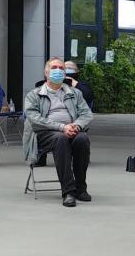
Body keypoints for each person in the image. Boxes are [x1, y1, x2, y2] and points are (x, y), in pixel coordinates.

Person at [23, 58, 93, 208]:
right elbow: (35, 119)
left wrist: (76, 126)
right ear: (46, 72)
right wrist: (62, 127)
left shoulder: (75, 93)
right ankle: (68, 191)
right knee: (60, 139)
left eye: (61, 68)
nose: (58, 70)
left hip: (71, 130)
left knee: (82, 139)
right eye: (54, 67)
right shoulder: (34, 95)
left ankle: (81, 188)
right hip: (44, 134)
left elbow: (87, 114)